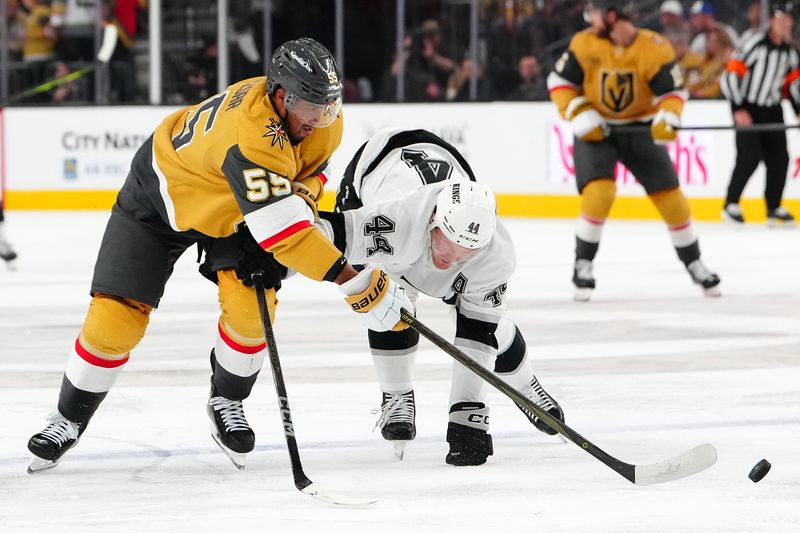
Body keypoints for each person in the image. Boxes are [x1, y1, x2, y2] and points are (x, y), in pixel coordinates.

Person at [26, 38, 413, 473]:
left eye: (330, 106)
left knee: (252, 311)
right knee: (113, 321)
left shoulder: (320, 122)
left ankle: (226, 401)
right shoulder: (250, 134)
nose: (322, 119)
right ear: (281, 96)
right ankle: (68, 416)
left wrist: (299, 204)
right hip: (160, 197)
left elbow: (306, 179)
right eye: (312, 108)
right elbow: (286, 233)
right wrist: (355, 282)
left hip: (237, 208)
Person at [326, 128, 565, 466]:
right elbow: (328, 233)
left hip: (447, 172)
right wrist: (272, 243)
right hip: (374, 169)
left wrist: (467, 413)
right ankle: (396, 396)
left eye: (467, 253)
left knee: (491, 322)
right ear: (435, 220)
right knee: (388, 302)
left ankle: (526, 386)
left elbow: (478, 332)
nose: (451, 261)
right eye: (448, 247)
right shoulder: (396, 222)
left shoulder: (494, 253)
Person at [547, 1, 721, 302]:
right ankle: (583, 263)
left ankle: (694, 261)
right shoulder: (584, 42)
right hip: (597, 128)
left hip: (639, 127)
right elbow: (559, 81)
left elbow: (671, 91)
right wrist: (577, 111)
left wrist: (668, 116)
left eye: (597, 12)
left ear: (613, 14)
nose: (591, 18)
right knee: (599, 194)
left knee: (671, 198)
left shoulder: (653, 47)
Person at [720, 2, 798, 226]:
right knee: (749, 157)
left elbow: (791, 86)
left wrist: (798, 110)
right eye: (781, 18)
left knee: (780, 159)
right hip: (748, 106)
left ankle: (773, 207)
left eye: (788, 19)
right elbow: (730, 76)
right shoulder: (754, 42)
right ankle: (730, 203)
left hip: (772, 109)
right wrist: (738, 108)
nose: (785, 23)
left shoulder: (789, 53)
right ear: (772, 20)